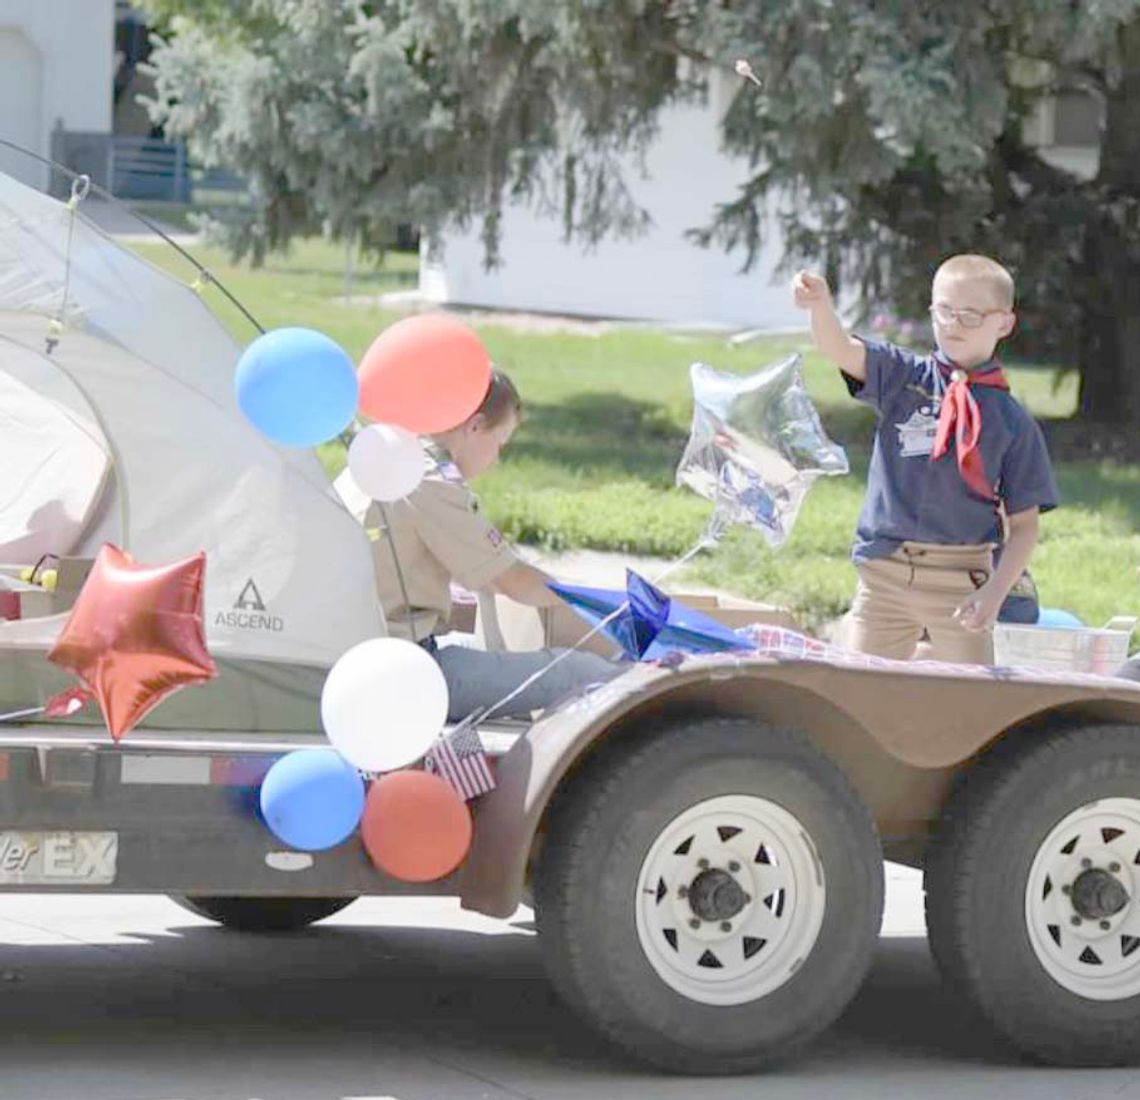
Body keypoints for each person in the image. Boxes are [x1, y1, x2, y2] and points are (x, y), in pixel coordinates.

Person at [792, 254, 1059, 663]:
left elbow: (1024, 527)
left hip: (961, 580)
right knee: (861, 688)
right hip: (886, 572)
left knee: (966, 700)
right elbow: (839, 348)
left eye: (970, 316)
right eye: (944, 311)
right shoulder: (903, 377)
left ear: (1003, 323)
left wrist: (994, 593)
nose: (953, 325)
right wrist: (820, 306)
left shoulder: (1013, 423)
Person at [339, 368, 619, 722]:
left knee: (488, 653)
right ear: (474, 426)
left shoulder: (387, 454)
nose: (496, 459)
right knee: (586, 674)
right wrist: (600, 603)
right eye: (499, 443)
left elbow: (484, 575)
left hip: (357, 655)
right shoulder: (429, 480)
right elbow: (512, 580)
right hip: (399, 672)